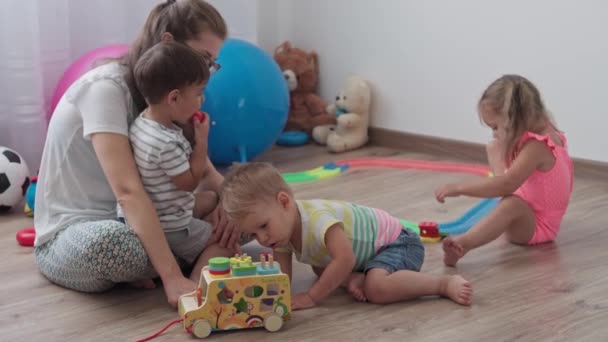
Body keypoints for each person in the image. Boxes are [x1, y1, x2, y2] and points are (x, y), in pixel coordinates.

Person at [34, 0, 237, 307]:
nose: (206, 73)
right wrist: (171, 278)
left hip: (146, 221)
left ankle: (163, 266)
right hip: (79, 229)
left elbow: (207, 173)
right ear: (168, 42)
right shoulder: (106, 89)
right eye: (202, 58)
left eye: (212, 63)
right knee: (114, 246)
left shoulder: (174, 96)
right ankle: (167, 265)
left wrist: (238, 206)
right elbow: (128, 193)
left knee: (242, 222)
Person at [220, 162, 473, 310]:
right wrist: (269, 297)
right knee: (321, 269)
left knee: (376, 288)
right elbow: (281, 277)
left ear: (284, 201)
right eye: (252, 233)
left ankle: (441, 284)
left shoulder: (317, 220)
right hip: (363, 257)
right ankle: (356, 278)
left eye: (263, 226)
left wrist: (311, 297)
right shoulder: (281, 234)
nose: (262, 238)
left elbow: (345, 257)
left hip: (399, 243)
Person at [116, 40, 232, 284]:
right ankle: (196, 280)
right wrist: (201, 142)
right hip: (170, 225)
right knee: (226, 243)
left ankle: (151, 265)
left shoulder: (142, 122)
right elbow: (189, 183)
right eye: (198, 94)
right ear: (174, 98)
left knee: (211, 199)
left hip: (153, 213)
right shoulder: (167, 143)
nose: (202, 101)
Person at [435, 74, 574, 266]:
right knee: (499, 164)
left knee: (511, 203)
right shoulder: (543, 127)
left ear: (515, 121)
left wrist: (459, 188)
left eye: (495, 126)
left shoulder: (538, 146)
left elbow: (506, 185)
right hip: (529, 206)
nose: (493, 133)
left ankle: (463, 245)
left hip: (538, 225)